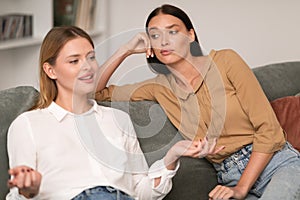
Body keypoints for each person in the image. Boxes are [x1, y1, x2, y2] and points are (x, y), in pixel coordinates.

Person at [94, 4, 300, 200]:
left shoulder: (226, 61)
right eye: (155, 35)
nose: (164, 42)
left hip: (276, 164)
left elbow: (269, 130)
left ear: (191, 35)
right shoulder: (158, 88)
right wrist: (126, 49)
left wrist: (241, 189)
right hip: (229, 176)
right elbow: (95, 93)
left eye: (172, 32)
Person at [6, 26, 223, 200]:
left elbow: (140, 192)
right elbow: (19, 193)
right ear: (50, 70)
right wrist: (29, 190)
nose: (88, 67)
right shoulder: (28, 124)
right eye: (74, 61)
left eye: (91, 57)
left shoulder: (118, 119)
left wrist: (172, 156)